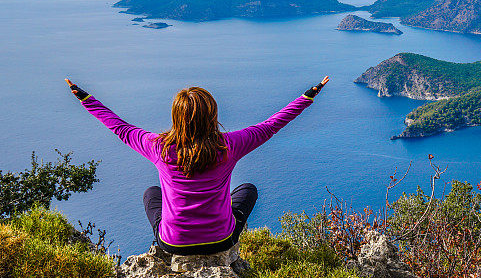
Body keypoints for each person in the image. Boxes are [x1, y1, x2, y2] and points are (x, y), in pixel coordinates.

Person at [65, 76, 328, 255]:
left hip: (173, 244)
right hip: (221, 241)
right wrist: (308, 96)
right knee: (247, 190)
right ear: (212, 115)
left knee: (150, 194)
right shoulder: (229, 146)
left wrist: (85, 98)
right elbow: (271, 125)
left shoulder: (158, 147)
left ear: (176, 117)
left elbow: (120, 128)